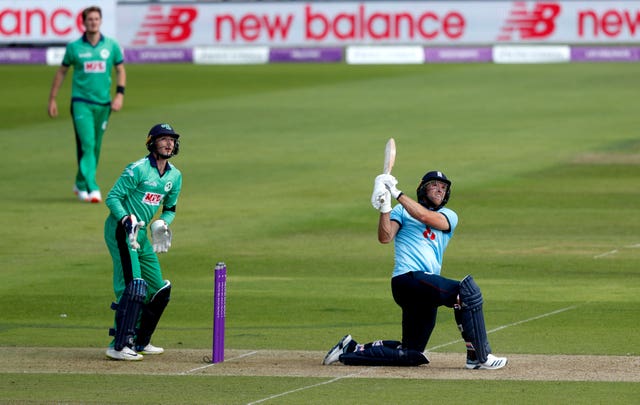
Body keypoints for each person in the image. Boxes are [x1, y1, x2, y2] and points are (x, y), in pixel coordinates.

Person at [322, 171, 508, 370]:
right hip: (407, 279)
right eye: (434, 185)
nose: (439, 190)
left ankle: (349, 350)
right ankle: (479, 356)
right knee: (466, 292)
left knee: (411, 353)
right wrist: (385, 207)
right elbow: (385, 237)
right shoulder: (401, 211)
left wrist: (395, 192)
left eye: (443, 187)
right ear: (422, 189)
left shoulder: (448, 216)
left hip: (426, 286)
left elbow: (423, 216)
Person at [103, 123, 182, 361]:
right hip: (121, 231)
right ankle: (119, 345)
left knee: (159, 289)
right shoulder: (137, 169)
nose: (168, 143)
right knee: (134, 286)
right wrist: (126, 219)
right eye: (163, 139)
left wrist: (163, 223)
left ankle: (140, 340)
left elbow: (170, 207)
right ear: (152, 143)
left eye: (172, 140)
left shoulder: (174, 176)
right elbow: (113, 197)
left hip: (141, 235)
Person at [47, 5, 126, 203]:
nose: (93, 22)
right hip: (81, 102)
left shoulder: (111, 45)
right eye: (89, 19)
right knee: (88, 143)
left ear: (100, 21)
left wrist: (119, 95)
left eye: (96, 19)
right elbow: (62, 71)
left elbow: (120, 70)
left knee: (94, 146)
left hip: (103, 104)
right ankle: (93, 186)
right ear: (83, 22)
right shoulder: (74, 47)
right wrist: (53, 99)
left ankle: (80, 182)